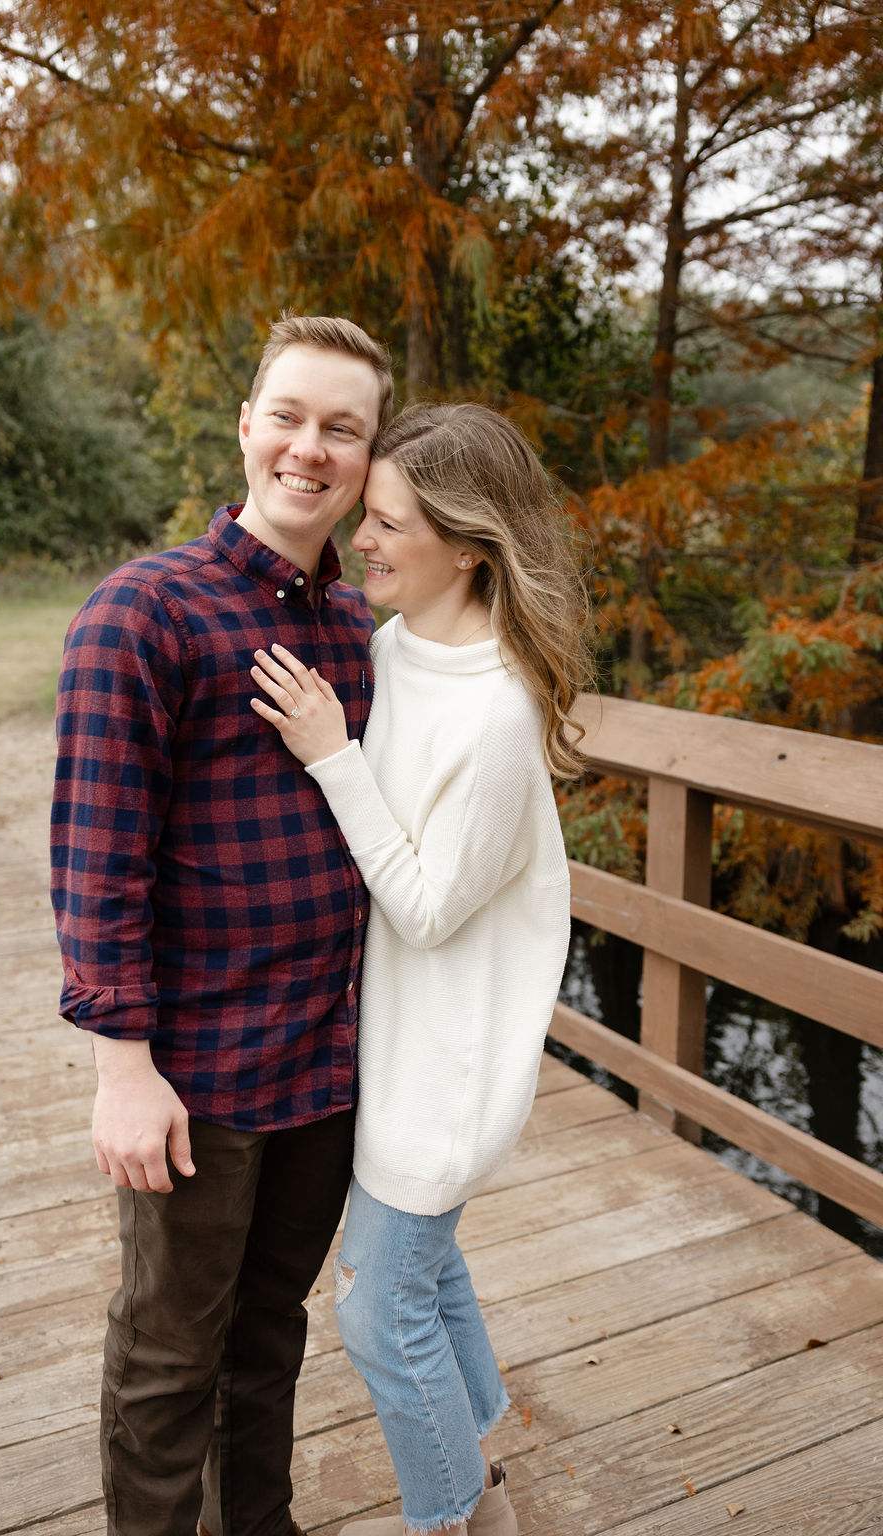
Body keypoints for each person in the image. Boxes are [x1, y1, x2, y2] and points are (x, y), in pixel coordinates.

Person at [50, 314, 394, 1536]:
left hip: (326, 1064)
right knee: (168, 1348)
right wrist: (122, 1071)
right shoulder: (143, 612)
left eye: (342, 429)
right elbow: (97, 861)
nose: (310, 448)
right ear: (247, 427)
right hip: (197, 1072)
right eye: (288, 417)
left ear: (368, 457)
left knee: (269, 1333)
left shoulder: (357, 630)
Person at [250, 401, 591, 1536]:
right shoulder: (389, 647)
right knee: (425, 1272)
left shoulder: (496, 715)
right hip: (381, 1046)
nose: (363, 540)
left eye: (391, 524)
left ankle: (454, 1514)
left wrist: (333, 759)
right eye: (371, 515)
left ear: (470, 547)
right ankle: (483, 1462)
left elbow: (433, 910)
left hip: (446, 1066)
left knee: (374, 1306)